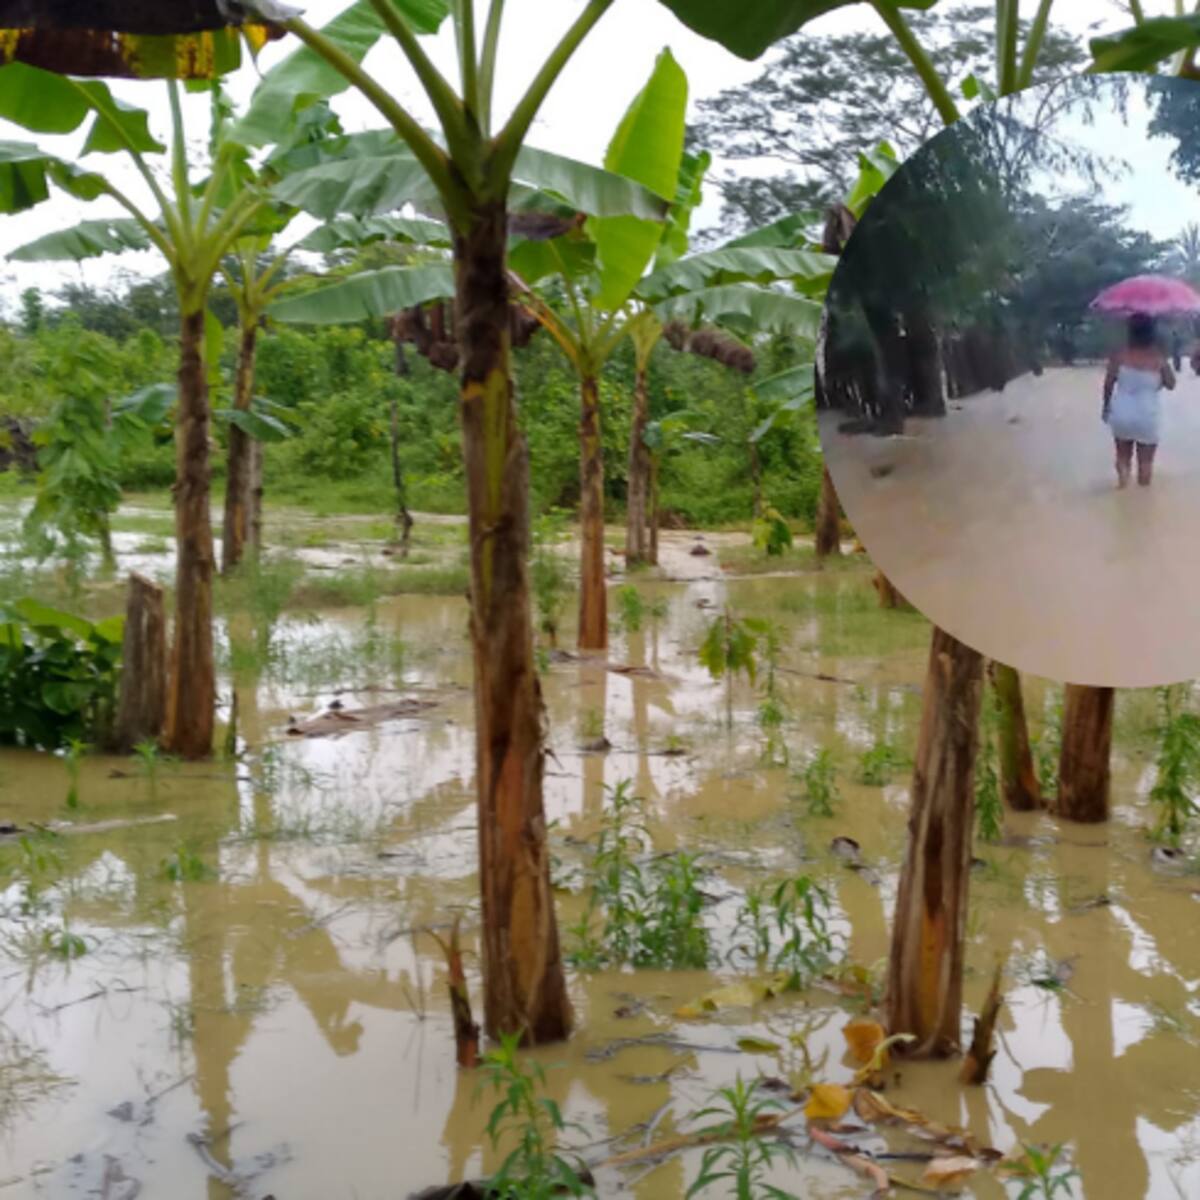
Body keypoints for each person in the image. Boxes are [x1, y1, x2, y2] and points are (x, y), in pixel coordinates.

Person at [1102, 312, 1176, 488]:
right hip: (1147, 415)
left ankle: (1123, 488)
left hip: (1121, 413)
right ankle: (1142, 501)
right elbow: (1171, 384)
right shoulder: (1158, 358)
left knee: (1122, 457)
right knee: (1145, 464)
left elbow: (1108, 384)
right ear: (1152, 333)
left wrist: (1106, 407)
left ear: (1130, 332)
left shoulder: (1119, 356)